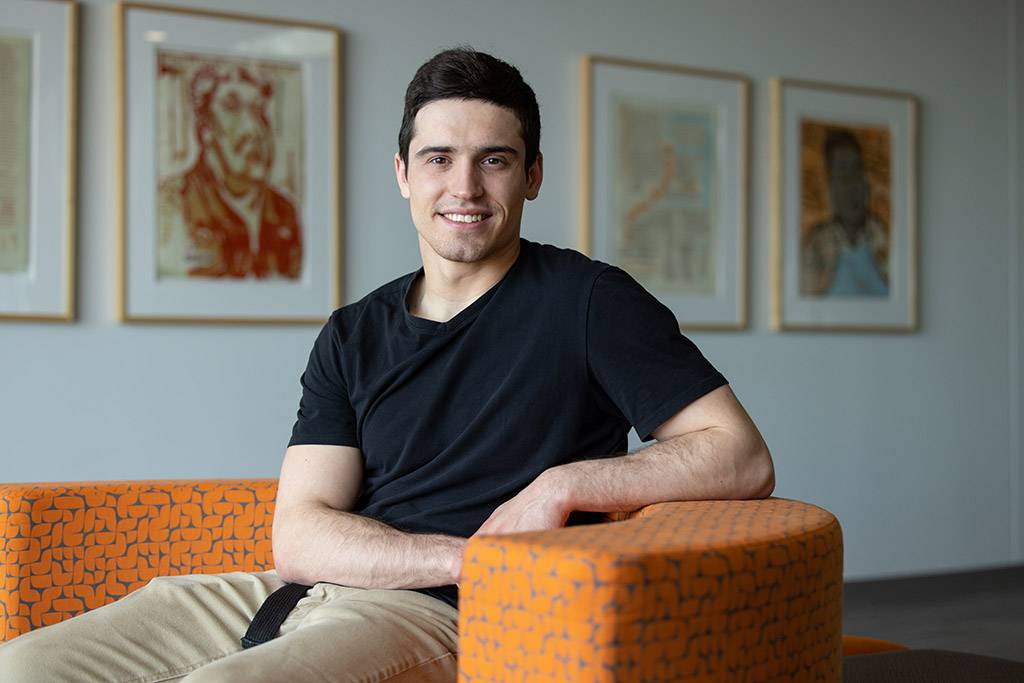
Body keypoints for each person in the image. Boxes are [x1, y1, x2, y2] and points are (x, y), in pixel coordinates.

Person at [0, 48, 773, 682]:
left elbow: (740, 455)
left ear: (532, 175)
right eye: (439, 159)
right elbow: (299, 534)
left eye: (493, 160)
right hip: (294, 589)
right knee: (28, 666)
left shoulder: (590, 301)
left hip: (441, 611)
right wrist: (464, 553)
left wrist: (564, 484)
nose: (464, 187)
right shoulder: (352, 332)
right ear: (403, 172)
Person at [157, 62, 302, 279]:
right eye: (232, 108)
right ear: (204, 128)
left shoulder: (284, 212)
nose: (253, 130)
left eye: (258, 110)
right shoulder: (172, 205)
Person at [800, 129, 890, 297]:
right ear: (830, 187)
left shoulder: (883, 237)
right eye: (842, 173)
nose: (852, 185)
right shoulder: (817, 246)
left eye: (857, 171)